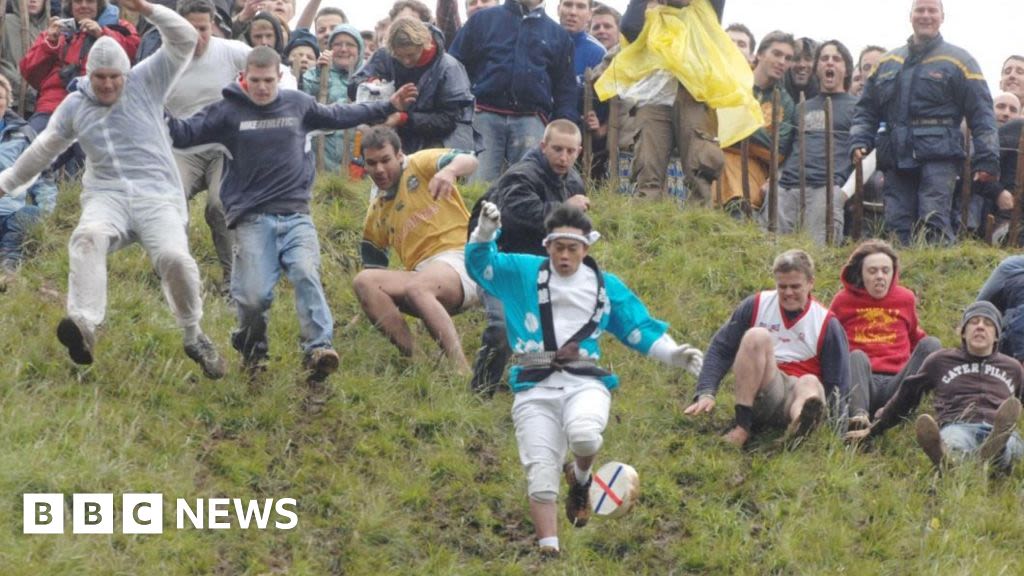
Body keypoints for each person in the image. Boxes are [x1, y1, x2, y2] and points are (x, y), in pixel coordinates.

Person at [0, 0, 225, 377]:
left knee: (175, 260)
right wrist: (6, 185)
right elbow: (44, 148)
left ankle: (193, 334)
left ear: (126, 73)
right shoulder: (75, 104)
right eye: (100, 77)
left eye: (114, 77)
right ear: (90, 74)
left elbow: (184, 39)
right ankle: (84, 325)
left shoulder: (147, 81)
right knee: (86, 237)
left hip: (157, 194)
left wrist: (146, 8)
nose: (107, 84)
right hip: (108, 195)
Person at [466, 201, 703, 555]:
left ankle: (580, 479)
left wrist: (672, 353)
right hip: (533, 386)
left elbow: (637, 329)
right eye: (558, 247)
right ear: (546, 245)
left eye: (572, 248)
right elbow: (480, 265)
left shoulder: (606, 287)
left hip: (584, 381)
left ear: (586, 248)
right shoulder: (523, 272)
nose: (564, 256)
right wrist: (484, 234)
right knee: (541, 477)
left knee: (584, 435)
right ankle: (550, 552)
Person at [167, 46, 418, 379]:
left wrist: (388, 105)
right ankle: (252, 348)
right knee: (254, 297)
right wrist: (156, 108)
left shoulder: (297, 105)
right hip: (252, 218)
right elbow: (185, 135)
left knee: (305, 272)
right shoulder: (227, 112)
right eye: (255, 80)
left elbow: (340, 114)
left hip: (296, 213)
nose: (261, 87)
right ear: (244, 78)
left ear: (278, 77)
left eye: (268, 80)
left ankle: (318, 349)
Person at [849, 0, 999, 245]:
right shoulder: (887, 63)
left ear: (942, 17)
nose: (926, 15)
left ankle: (938, 278)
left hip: (940, 156)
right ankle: (900, 278)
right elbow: (865, 109)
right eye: (920, 10)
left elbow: (982, 113)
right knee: (896, 222)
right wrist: (859, 139)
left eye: (932, 10)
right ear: (910, 16)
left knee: (934, 218)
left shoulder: (961, 61)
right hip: (896, 154)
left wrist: (987, 159)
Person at [467, 119, 588, 394]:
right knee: (501, 326)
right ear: (543, 146)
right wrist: (564, 208)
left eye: (570, 151)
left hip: (538, 265)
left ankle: (532, 386)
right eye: (557, 149)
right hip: (496, 261)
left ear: (579, 152)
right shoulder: (521, 175)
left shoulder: (574, 181)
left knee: (554, 330)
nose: (563, 157)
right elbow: (516, 215)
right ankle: (481, 392)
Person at [685, 249, 850, 448]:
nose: (788, 293)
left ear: (810, 283)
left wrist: (838, 436)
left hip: (799, 393)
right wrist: (706, 392)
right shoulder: (756, 304)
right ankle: (742, 426)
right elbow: (721, 348)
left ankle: (800, 427)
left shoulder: (827, 322)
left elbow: (838, 382)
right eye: (783, 286)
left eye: (795, 286)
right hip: (766, 387)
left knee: (810, 381)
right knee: (757, 335)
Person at [353, 127, 480, 373]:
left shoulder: (419, 163)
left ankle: (461, 371)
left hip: (463, 259)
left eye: (385, 160)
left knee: (418, 286)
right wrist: (363, 313)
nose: (379, 169)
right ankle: (419, 363)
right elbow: (374, 268)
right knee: (364, 282)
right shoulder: (377, 211)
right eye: (372, 163)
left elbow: (470, 159)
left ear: (400, 155)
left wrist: (449, 171)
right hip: (423, 275)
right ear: (364, 166)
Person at [846, 302, 1024, 473]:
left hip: (999, 428)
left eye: (988, 324)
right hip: (959, 426)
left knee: (1009, 445)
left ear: (997, 336)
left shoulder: (1013, 368)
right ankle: (959, 460)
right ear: (963, 332)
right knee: (954, 443)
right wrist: (875, 429)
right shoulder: (940, 361)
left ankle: (988, 454)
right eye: (973, 322)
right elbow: (906, 396)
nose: (980, 327)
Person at [166, 0, 251, 288]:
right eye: (189, 29)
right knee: (169, 199)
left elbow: (279, 72)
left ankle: (233, 281)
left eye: (202, 29)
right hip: (183, 148)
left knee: (218, 204)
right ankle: (176, 278)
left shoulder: (233, 52)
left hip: (225, 148)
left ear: (212, 25)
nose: (196, 36)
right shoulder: (163, 60)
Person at [450, 0, 578, 183]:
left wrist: (564, 127)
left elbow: (565, 89)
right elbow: (455, 66)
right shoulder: (482, 20)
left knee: (528, 185)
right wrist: (464, 106)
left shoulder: (559, 36)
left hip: (532, 120)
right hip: (484, 116)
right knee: (477, 185)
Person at [619, 0, 727, 203]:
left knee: (700, 167)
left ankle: (700, 224)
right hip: (655, 94)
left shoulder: (704, 10)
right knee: (647, 166)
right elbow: (630, 27)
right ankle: (646, 223)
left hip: (692, 93)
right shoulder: (647, 12)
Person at [828, 240, 941, 430]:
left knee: (933, 344)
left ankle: (896, 413)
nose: (880, 276)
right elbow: (830, 339)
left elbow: (915, 337)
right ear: (861, 273)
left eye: (885, 271)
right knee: (856, 356)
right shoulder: (843, 300)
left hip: (898, 382)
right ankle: (858, 417)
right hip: (862, 380)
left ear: (893, 273)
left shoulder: (905, 298)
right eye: (872, 271)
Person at [20, 0, 140, 173]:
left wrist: (102, 34)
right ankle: (33, 195)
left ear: (100, 4)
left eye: (90, 1)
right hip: (54, 108)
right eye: (77, 1)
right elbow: (29, 72)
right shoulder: (59, 30)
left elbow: (134, 53)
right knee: (25, 152)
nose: (83, 5)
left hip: (100, 110)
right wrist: (50, 42)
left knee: (101, 168)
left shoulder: (119, 27)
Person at [767, 40, 855, 244]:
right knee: (772, 252)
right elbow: (785, 150)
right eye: (824, 59)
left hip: (826, 188)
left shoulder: (858, 107)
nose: (829, 63)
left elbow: (867, 154)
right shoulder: (801, 107)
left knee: (817, 253)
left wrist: (843, 193)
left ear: (847, 69)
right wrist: (773, 179)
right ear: (817, 68)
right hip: (786, 188)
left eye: (836, 59)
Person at [348, 17, 475, 155]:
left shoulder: (449, 68)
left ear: (425, 44)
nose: (406, 61)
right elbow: (354, 85)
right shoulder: (385, 56)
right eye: (399, 56)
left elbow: (449, 119)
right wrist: (370, 83)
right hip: (391, 136)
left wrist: (403, 118)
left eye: (411, 55)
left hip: (441, 139)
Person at [715, 31, 796, 214]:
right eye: (777, 54)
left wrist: (739, 126)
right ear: (759, 54)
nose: (782, 61)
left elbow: (778, 152)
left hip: (756, 171)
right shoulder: (732, 82)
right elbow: (715, 128)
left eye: (788, 58)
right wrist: (758, 133)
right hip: (715, 160)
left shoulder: (785, 102)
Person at [0, 74, 57, 286]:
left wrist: (47, 211)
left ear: (8, 102)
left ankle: (8, 269)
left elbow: (43, 177)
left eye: (0, 97)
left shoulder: (23, 134)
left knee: (29, 215)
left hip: (11, 214)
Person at [301, 24, 363, 172]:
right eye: (337, 44)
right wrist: (319, 73)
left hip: (357, 159)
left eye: (350, 45)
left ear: (360, 50)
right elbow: (304, 100)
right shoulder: (314, 73)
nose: (343, 49)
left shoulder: (368, 75)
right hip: (320, 162)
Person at [0, 0, 48, 117]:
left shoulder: (50, 27)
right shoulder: (5, 23)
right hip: (10, 101)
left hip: (39, 104)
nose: (33, 1)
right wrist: (16, 82)